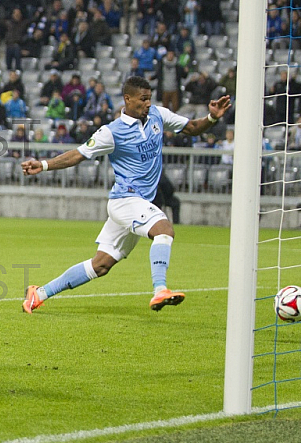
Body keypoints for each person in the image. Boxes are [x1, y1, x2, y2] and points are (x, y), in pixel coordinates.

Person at [20, 76, 230, 313]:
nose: (148, 103)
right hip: (126, 200)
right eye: (143, 99)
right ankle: (160, 289)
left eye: (149, 98)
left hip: (138, 203)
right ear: (127, 99)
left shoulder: (158, 116)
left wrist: (212, 117)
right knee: (164, 230)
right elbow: (78, 154)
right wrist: (44, 165)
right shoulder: (112, 132)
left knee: (101, 264)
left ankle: (38, 294)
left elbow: (192, 127)